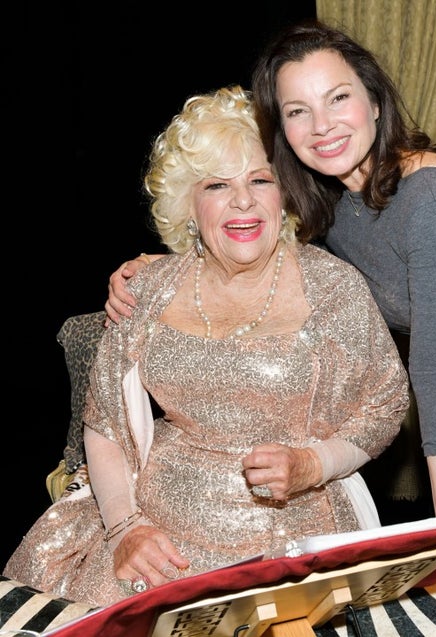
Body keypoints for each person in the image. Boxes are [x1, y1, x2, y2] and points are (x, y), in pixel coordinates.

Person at [104, 20, 436, 599]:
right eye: (298, 111)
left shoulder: (434, 204)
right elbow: (273, 259)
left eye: (338, 98)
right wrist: (164, 263)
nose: (321, 126)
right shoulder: (337, 196)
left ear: (375, 102)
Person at [3, 85, 410, 607]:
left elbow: (384, 406)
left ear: (284, 193)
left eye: (261, 180)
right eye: (217, 184)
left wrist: (313, 464)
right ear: (189, 205)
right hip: (155, 528)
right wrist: (125, 526)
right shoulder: (147, 290)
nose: (243, 200)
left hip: (291, 530)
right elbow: (103, 422)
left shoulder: (333, 288)